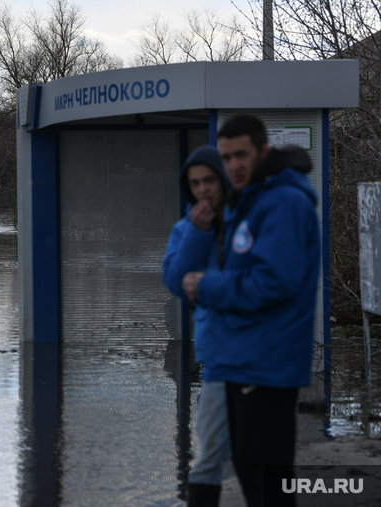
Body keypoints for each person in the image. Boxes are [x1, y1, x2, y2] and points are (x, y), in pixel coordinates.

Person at [182, 115, 319, 507]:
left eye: (241, 155)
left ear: (263, 152)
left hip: (268, 364)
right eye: (226, 158)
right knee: (251, 471)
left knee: (267, 480)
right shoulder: (251, 199)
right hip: (244, 361)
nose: (233, 166)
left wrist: (206, 286)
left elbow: (275, 282)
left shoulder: (283, 202)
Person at [162, 145, 230, 507]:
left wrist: (205, 286)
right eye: (195, 183)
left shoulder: (243, 222)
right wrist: (198, 233)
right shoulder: (186, 228)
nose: (203, 189)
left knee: (259, 461)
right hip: (215, 359)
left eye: (209, 180)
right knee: (208, 460)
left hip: (258, 359)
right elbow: (174, 281)